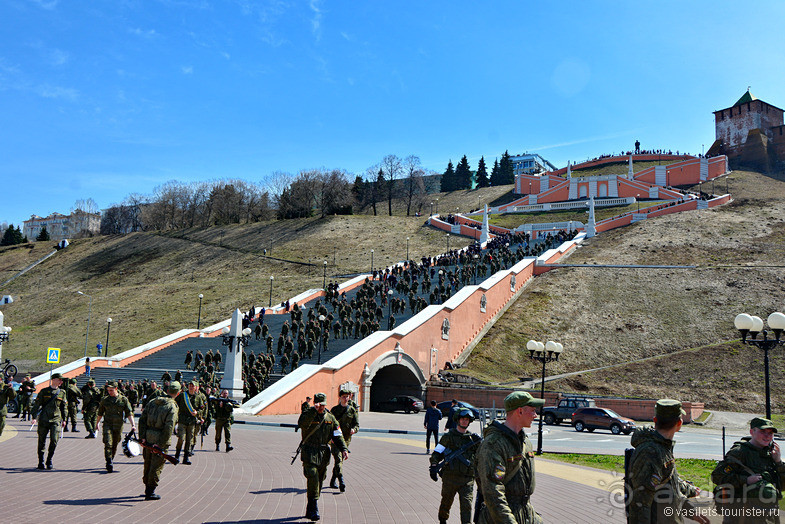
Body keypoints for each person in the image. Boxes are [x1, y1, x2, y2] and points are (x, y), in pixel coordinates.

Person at [628, 399, 708, 524]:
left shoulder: (662, 449)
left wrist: (690, 509)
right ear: (679, 423)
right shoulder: (651, 452)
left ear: (655, 420)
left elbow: (668, 488)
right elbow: (640, 504)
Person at [475, 391, 543, 524]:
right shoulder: (493, 444)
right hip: (500, 517)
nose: (536, 415)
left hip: (524, 513)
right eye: (533, 410)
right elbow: (493, 492)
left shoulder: (525, 442)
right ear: (520, 411)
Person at [711, 417, 785, 523]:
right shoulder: (739, 452)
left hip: (768, 516)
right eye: (762, 432)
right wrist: (746, 480)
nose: (767, 436)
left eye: (770, 433)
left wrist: (778, 463)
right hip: (741, 516)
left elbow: (782, 486)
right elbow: (717, 476)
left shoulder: (771, 454)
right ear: (752, 432)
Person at [297, 392, 349, 521]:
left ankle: (311, 504)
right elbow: (302, 424)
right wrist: (312, 411)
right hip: (309, 451)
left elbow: (337, 435)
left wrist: (343, 448)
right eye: (319, 404)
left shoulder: (330, 418)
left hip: (323, 454)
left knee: (320, 479)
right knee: (313, 476)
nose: (321, 407)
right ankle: (314, 508)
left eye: (323, 404)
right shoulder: (309, 414)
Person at [430, 407, 481, 524]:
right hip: (450, 478)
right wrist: (433, 465)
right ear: (457, 420)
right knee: (446, 503)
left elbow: (480, 457)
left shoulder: (473, 439)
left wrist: (480, 444)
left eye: (467, 419)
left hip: (467, 479)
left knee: (467, 505)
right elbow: (437, 453)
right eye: (462, 419)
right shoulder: (448, 437)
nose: (464, 421)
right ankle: (442, 520)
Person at [139, 380, 180, 501]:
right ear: (177, 393)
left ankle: (147, 487)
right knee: (156, 466)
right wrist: (161, 443)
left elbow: (142, 420)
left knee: (147, 463)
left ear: (167, 390)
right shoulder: (172, 406)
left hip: (148, 435)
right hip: (160, 437)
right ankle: (150, 491)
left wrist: (142, 436)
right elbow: (169, 426)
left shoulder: (152, 401)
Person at [95, 380, 135, 472]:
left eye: (111, 390)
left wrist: (133, 425)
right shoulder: (105, 400)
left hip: (118, 426)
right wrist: (97, 423)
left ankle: (111, 458)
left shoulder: (123, 399)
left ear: (116, 389)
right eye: (108, 390)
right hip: (107, 424)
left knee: (115, 443)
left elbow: (129, 413)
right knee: (108, 443)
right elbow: (100, 413)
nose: (109, 392)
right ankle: (109, 461)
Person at [31, 373, 68, 470]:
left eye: (61, 380)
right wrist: (34, 417)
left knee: (54, 440)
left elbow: (64, 407)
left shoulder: (62, 392)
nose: (61, 382)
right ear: (54, 380)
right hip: (44, 419)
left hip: (56, 419)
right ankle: (41, 461)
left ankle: (49, 459)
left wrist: (64, 419)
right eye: (59, 380)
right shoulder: (44, 391)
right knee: (41, 441)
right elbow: (37, 404)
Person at [329, 388, 360, 492]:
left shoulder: (352, 410)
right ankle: (341, 481)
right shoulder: (334, 410)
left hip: (346, 440)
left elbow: (357, 424)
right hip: (335, 440)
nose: (345, 398)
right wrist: (330, 438)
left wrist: (354, 429)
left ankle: (333, 480)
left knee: (340, 461)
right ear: (340, 397)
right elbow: (329, 425)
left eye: (347, 396)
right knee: (338, 459)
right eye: (343, 396)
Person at [175, 380, 206, 465]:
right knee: (181, 438)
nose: (191, 387)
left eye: (193, 386)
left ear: (196, 387)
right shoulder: (182, 395)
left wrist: (197, 413)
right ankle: (177, 455)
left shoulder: (198, 397)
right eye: (190, 385)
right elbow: (175, 404)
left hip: (192, 422)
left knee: (189, 440)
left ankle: (186, 458)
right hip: (182, 420)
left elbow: (202, 408)